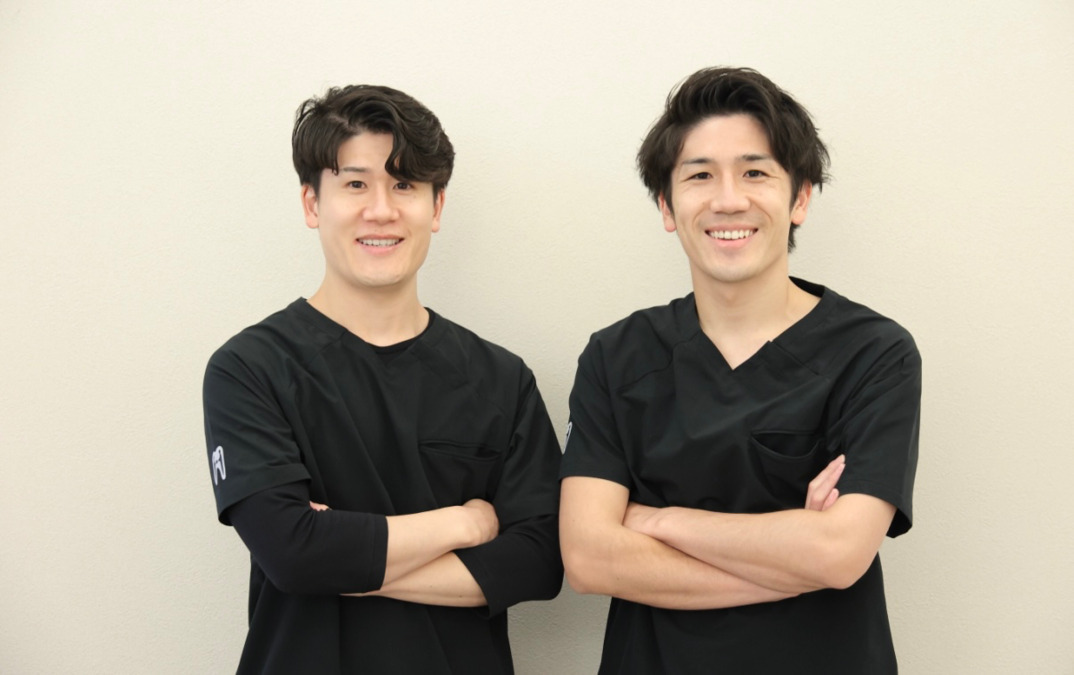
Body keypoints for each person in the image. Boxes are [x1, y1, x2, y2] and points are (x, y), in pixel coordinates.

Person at [559, 67, 921, 674]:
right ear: (666, 204)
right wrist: (794, 555)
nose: (728, 199)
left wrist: (659, 520)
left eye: (755, 172)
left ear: (800, 198)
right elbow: (590, 559)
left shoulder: (873, 354)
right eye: (700, 175)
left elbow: (838, 553)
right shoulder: (618, 356)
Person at [202, 84, 563, 674]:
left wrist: (342, 560)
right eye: (355, 184)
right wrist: (465, 523)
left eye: (405, 185)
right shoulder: (251, 369)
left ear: (436, 208)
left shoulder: (501, 379)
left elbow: (539, 563)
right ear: (312, 204)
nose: (381, 210)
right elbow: (292, 553)